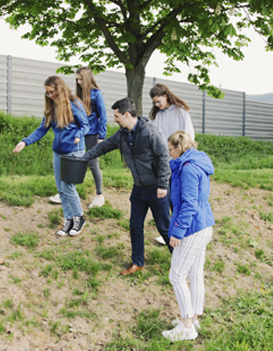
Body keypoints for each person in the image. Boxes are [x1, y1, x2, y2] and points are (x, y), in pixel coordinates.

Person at [82, 97, 173, 275]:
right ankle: (137, 262)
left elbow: (164, 158)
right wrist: (81, 159)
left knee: (164, 227)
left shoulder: (150, 132)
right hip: (139, 188)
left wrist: (163, 184)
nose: (114, 119)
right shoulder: (122, 135)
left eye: (116, 116)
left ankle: (179, 261)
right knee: (135, 226)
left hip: (157, 189)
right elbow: (103, 147)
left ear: (126, 114)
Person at [13, 76, 89, 237]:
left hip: (74, 150)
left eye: (52, 92)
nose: (50, 96)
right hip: (58, 152)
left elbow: (85, 125)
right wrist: (25, 142)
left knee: (68, 187)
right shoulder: (52, 108)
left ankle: (79, 218)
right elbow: (42, 129)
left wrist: (78, 134)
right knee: (61, 188)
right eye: (47, 93)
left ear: (59, 90)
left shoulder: (74, 105)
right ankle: (68, 220)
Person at [162, 130, 215, 342]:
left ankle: (186, 327)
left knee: (176, 275)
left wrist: (176, 232)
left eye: (170, 151)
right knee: (194, 275)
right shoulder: (196, 162)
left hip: (192, 228)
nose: (169, 155)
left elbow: (189, 204)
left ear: (178, 148)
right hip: (202, 225)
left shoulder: (188, 169)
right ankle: (193, 318)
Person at [50, 67, 108, 208]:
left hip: (92, 134)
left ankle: (99, 195)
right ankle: (65, 192)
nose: (78, 82)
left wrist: (102, 136)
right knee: (71, 162)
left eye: (81, 79)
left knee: (93, 164)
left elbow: (103, 116)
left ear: (87, 79)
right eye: (77, 79)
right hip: (78, 135)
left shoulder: (97, 94)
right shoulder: (78, 96)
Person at [149, 83, 195, 245]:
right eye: (154, 102)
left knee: (179, 199)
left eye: (158, 101)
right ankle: (169, 232)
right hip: (163, 162)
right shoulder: (157, 115)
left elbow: (189, 138)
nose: (156, 105)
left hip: (178, 163)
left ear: (166, 96)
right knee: (167, 198)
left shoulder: (181, 113)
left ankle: (182, 232)